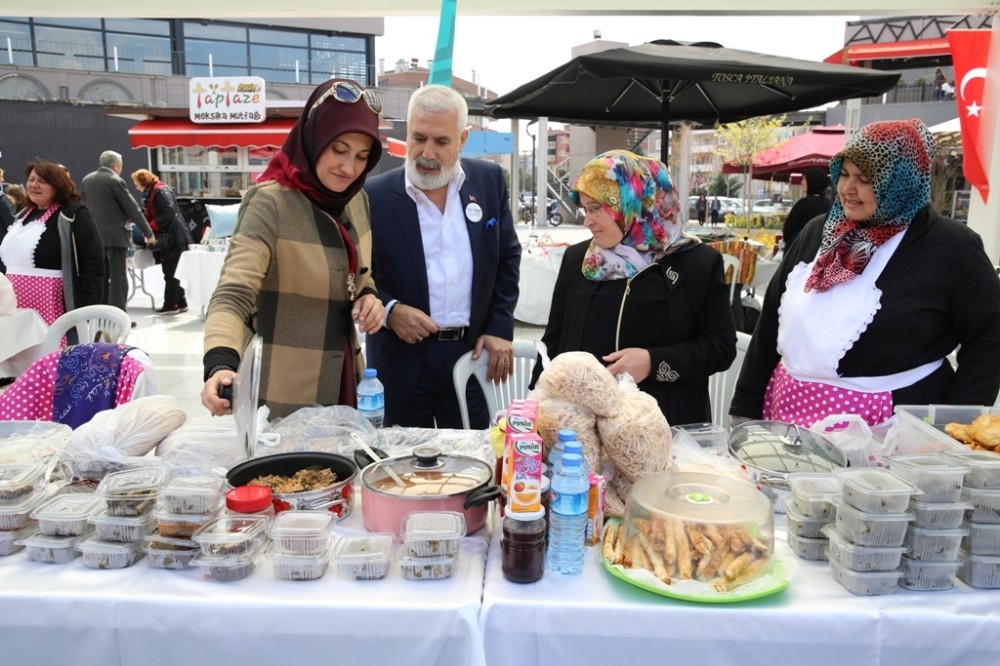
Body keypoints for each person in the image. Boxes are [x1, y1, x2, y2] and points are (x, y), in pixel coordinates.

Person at [730, 119, 1000, 429]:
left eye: (865, 179)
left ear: (901, 181)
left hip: (891, 432)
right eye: (844, 174)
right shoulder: (817, 232)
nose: (847, 189)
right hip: (786, 414)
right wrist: (746, 407)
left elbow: (989, 340)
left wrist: (954, 428)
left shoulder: (952, 248)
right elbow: (769, 326)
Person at [200, 78, 385, 419]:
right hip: (282, 397)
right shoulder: (270, 203)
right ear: (314, 139)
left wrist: (368, 296)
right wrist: (220, 361)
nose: (349, 168)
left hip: (345, 378)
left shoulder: (358, 200)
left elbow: (360, 275)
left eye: (361, 157)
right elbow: (232, 294)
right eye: (339, 150)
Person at [531, 149, 737, 426]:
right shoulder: (579, 260)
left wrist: (653, 361)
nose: (587, 221)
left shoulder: (697, 263)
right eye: (584, 208)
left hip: (661, 426)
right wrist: (533, 405)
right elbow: (553, 342)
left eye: (596, 208)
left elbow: (720, 348)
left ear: (634, 204)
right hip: (580, 429)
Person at [365, 84, 521, 429]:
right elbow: (357, 273)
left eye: (441, 141)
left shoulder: (489, 180)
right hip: (401, 361)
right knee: (404, 469)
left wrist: (500, 327)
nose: (427, 153)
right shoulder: (372, 195)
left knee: (474, 464)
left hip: (472, 354)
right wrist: (390, 311)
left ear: (462, 140)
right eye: (418, 138)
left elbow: (508, 257)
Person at [0, 160, 104, 325]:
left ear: (58, 185)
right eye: (32, 179)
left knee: (50, 350)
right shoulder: (24, 214)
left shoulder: (73, 214)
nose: (34, 185)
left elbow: (93, 260)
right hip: (14, 305)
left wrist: (83, 302)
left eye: (42, 181)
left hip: (53, 305)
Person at [80, 150, 155, 314]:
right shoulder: (115, 181)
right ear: (115, 165)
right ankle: (118, 315)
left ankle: (102, 313)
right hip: (115, 236)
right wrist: (148, 233)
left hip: (94, 237)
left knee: (101, 277)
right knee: (118, 279)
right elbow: (132, 208)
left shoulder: (87, 180)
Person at [130, 169, 193, 315]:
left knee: (170, 271)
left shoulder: (159, 192)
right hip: (178, 235)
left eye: (136, 183)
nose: (136, 187)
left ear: (142, 181)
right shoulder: (160, 190)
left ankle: (170, 304)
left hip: (173, 237)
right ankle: (181, 301)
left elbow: (168, 213)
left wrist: (150, 227)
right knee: (177, 271)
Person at [782, 167, 832, 248]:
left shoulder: (803, 204)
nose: (802, 182)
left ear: (812, 181)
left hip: (799, 250)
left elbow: (788, 229)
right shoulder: (829, 204)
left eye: (804, 179)